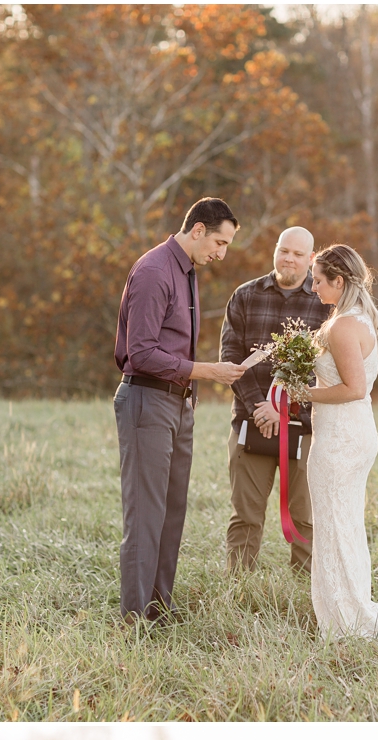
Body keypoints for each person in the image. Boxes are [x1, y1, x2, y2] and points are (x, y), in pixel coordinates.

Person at [112, 197, 248, 624]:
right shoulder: (155, 271)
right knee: (146, 514)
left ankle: (159, 610)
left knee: (172, 512)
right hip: (147, 401)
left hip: (178, 404)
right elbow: (141, 352)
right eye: (220, 242)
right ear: (198, 231)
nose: (221, 253)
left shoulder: (186, 269)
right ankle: (136, 621)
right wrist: (208, 370)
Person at [296, 245, 378, 639]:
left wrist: (304, 393)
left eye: (318, 280)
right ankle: (344, 610)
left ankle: (348, 619)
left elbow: (353, 388)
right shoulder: (357, 318)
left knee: (334, 525)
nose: (312, 287)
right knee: (342, 523)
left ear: (339, 281)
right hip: (351, 433)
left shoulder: (344, 326)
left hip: (340, 438)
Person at [219, 226, 331, 573]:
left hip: (305, 427)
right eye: (284, 250)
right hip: (251, 422)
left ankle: (306, 593)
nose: (289, 259)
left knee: (304, 518)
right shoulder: (245, 295)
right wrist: (259, 407)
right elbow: (230, 355)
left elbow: (329, 367)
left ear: (311, 259)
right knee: (246, 516)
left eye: (298, 254)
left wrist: (285, 407)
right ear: (275, 251)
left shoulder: (324, 301)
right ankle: (240, 589)